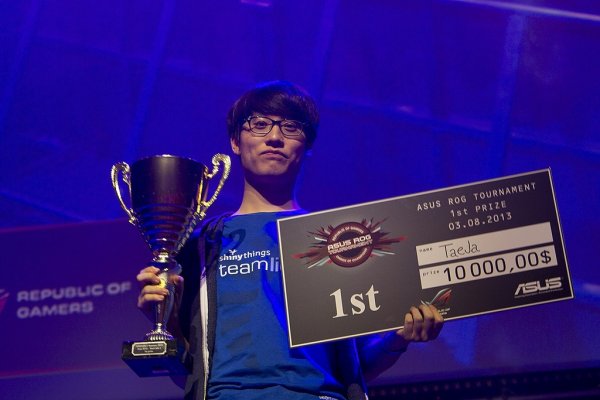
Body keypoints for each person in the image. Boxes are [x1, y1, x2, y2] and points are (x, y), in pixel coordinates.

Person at [137, 81, 444, 400]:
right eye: (259, 124)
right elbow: (188, 374)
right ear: (235, 142)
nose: (274, 137)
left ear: (307, 146)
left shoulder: (340, 240)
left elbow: (357, 368)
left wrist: (399, 338)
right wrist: (166, 321)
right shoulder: (202, 244)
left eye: (291, 127)